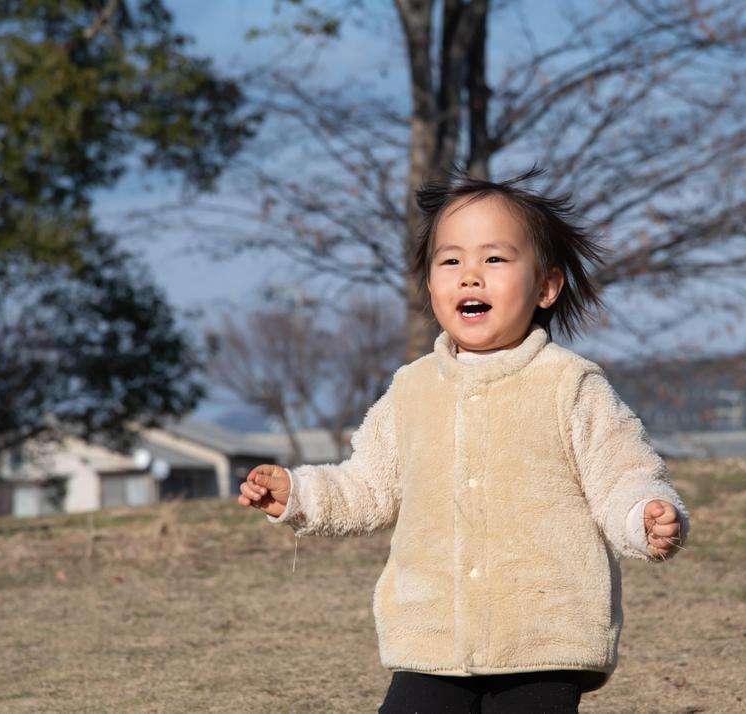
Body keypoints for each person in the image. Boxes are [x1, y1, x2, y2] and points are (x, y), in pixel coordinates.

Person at [239, 167, 690, 714]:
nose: (470, 276)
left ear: (546, 285)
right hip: (431, 634)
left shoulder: (569, 384)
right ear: (430, 286)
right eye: (450, 261)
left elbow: (621, 472)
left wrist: (642, 515)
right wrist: (300, 495)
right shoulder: (411, 388)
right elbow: (369, 485)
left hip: (542, 634)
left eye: (494, 259)